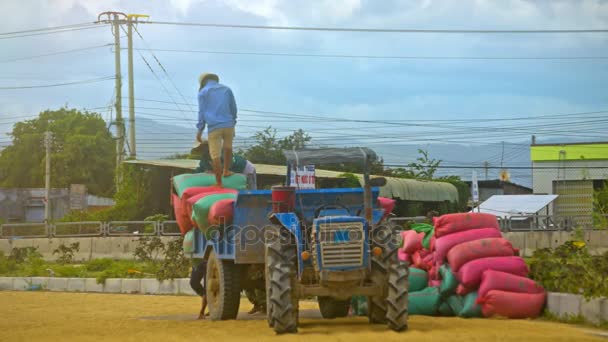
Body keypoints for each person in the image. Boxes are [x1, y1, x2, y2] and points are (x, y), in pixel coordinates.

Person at [196, 72, 238, 188]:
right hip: (229, 123)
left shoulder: (203, 92)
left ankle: (219, 183)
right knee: (228, 148)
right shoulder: (227, 89)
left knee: (215, 155)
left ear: (203, 82)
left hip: (214, 127)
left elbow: (201, 112)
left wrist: (200, 130)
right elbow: (233, 107)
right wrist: (233, 121)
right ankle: (226, 170)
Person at [191, 140, 257, 190]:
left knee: (251, 190)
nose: (203, 149)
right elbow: (201, 169)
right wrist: (192, 176)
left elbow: (229, 162)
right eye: (200, 149)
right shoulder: (204, 159)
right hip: (233, 172)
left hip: (245, 168)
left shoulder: (220, 152)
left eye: (203, 147)